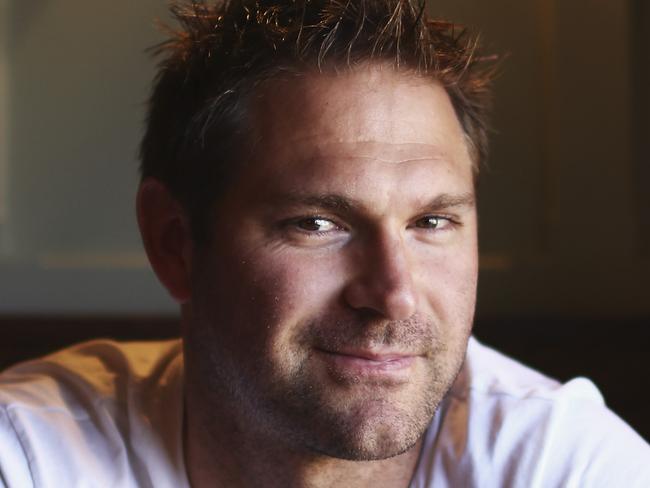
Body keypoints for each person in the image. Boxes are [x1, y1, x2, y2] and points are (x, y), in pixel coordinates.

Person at [1, 0, 649, 486]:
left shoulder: (562, 464)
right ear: (175, 243)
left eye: (431, 222)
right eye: (316, 224)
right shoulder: (31, 452)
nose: (393, 295)